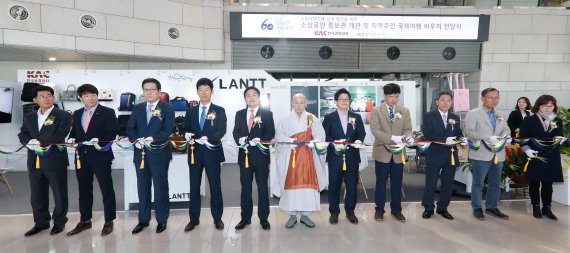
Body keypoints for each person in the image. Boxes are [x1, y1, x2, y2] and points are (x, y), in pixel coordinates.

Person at [18, 85, 71, 236]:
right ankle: (41, 222)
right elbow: (22, 133)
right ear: (35, 100)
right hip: (34, 160)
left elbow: (60, 134)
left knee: (59, 193)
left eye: (49, 96)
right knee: (36, 194)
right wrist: (29, 142)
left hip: (54, 160)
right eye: (42, 96)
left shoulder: (62, 115)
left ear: (54, 98)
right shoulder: (30, 116)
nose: (46, 99)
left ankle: (60, 221)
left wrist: (39, 142)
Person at [67, 84, 118, 236]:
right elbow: (75, 132)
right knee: (84, 189)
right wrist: (71, 138)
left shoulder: (107, 112)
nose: (91, 98)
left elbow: (112, 132)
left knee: (106, 189)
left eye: (94, 94)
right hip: (81, 157)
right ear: (80, 98)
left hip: (101, 156)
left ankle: (109, 221)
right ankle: (85, 221)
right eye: (87, 95)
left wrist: (99, 140)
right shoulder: (76, 113)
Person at [126, 78, 175, 234]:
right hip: (140, 154)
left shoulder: (167, 108)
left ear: (159, 92)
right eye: (146, 89)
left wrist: (152, 139)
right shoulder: (138, 108)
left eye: (152, 89)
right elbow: (130, 128)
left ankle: (162, 219)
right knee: (143, 187)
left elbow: (167, 129)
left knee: (160, 187)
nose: (148, 92)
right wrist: (136, 140)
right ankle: (143, 220)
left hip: (159, 153)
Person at [274, 93, 327, 229]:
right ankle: (292, 215)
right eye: (296, 102)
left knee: (307, 188)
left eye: (301, 102)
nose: (298, 105)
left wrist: (314, 142)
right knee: (291, 188)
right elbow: (278, 135)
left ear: (306, 103)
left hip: (308, 158)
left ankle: (305, 215)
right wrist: (289, 141)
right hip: (291, 158)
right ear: (292, 103)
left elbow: (321, 134)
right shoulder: (285, 119)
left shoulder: (312, 118)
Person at [183, 78, 227, 232]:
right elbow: (185, 128)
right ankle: (193, 219)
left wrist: (209, 138)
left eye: (206, 89)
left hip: (212, 153)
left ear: (212, 91)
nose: (203, 92)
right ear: (197, 92)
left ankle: (217, 218)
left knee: (215, 186)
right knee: (194, 186)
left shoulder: (219, 110)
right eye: (200, 89)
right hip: (195, 153)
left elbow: (221, 130)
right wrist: (186, 135)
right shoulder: (191, 111)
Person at [464, 87, 511, 221]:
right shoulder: (473, 113)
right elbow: (469, 132)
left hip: (498, 154)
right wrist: (488, 137)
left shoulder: (500, 114)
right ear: (482, 98)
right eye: (490, 97)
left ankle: (492, 207)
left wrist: (505, 135)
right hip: (481, 153)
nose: (493, 100)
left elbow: (506, 129)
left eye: (496, 97)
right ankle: (477, 207)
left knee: (496, 183)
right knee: (478, 183)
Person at [232, 86, 275, 230]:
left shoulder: (267, 114)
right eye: (248, 95)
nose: (251, 97)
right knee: (245, 188)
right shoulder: (239, 114)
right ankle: (245, 218)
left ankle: (264, 218)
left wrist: (260, 139)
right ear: (245, 98)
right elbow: (235, 132)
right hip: (244, 156)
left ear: (259, 97)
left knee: (262, 187)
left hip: (261, 156)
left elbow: (270, 132)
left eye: (254, 95)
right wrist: (240, 139)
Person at [370, 83, 413, 222]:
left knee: (397, 183)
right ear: (385, 96)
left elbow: (408, 128)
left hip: (398, 154)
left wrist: (409, 137)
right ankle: (379, 210)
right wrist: (391, 138)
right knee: (381, 183)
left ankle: (396, 210)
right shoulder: (376, 110)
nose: (393, 99)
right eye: (390, 96)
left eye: (396, 96)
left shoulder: (404, 110)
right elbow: (375, 130)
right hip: (382, 152)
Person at [421, 91, 467, 220]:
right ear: (437, 102)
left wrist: (461, 139)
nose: (446, 102)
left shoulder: (455, 117)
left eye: (448, 100)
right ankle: (428, 208)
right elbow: (428, 134)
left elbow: (458, 132)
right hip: (435, 153)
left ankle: (443, 208)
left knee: (448, 183)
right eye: (443, 100)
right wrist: (445, 140)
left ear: (452, 103)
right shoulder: (429, 116)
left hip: (450, 154)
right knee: (431, 183)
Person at [322, 89, 365, 224]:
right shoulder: (329, 118)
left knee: (352, 186)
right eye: (342, 99)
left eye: (347, 99)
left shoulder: (356, 117)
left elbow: (361, 133)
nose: (344, 101)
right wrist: (334, 142)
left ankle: (350, 212)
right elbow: (325, 135)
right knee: (334, 186)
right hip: (335, 157)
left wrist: (359, 140)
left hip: (352, 157)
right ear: (336, 102)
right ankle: (334, 212)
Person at [519, 95, 565, 220]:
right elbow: (522, 138)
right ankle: (535, 206)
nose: (547, 108)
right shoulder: (530, 120)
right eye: (544, 106)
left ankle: (547, 207)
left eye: (550, 106)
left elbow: (559, 134)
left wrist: (559, 139)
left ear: (554, 106)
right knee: (534, 181)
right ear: (538, 106)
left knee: (548, 183)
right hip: (535, 154)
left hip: (551, 155)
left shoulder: (556, 120)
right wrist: (527, 150)